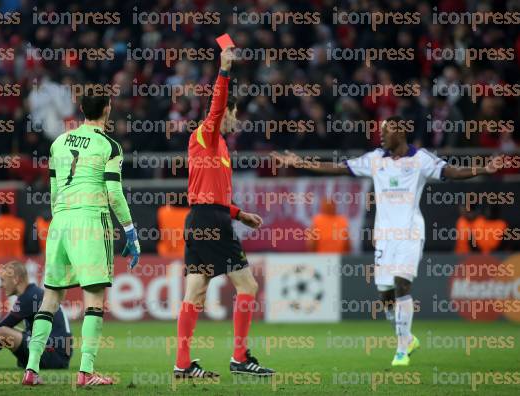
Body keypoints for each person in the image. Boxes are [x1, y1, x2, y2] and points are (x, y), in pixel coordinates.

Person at [271, 115, 502, 367]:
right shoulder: (374, 160)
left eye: (386, 130)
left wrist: (482, 169)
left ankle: (402, 349)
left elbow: (451, 171)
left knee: (402, 284)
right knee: (386, 295)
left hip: (410, 233)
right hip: (384, 237)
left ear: (401, 132)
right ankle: (407, 337)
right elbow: (337, 167)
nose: (381, 135)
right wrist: (300, 162)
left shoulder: (421, 159)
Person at [22, 92, 141, 386]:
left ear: (81, 110)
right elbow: (113, 193)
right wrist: (129, 230)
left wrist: (60, 220)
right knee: (95, 299)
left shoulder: (58, 143)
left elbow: (52, 191)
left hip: (59, 221)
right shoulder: (109, 146)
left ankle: (31, 369)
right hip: (90, 220)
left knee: (50, 298)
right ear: (107, 109)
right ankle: (86, 372)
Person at [173, 46, 275, 378]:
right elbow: (216, 107)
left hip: (205, 218)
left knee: (196, 291)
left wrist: (239, 213)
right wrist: (225, 69)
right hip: (209, 222)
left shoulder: (220, 148)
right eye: (232, 114)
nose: (233, 121)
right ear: (225, 113)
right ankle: (239, 357)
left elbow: (210, 194)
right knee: (247, 286)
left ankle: (183, 363)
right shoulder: (205, 134)